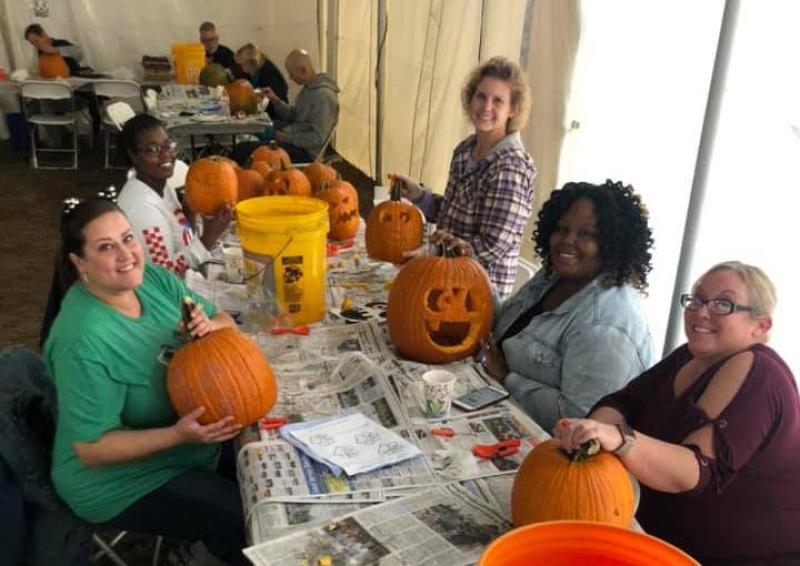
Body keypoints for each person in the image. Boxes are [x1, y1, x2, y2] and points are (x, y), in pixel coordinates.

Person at [41, 198, 247, 565]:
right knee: (240, 517)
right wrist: (178, 436)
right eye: (106, 247)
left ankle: (206, 544)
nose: (126, 255)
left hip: (184, 437)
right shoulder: (82, 340)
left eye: (127, 238)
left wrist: (209, 327)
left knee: (258, 462)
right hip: (120, 478)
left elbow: (226, 321)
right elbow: (92, 448)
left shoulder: (151, 279)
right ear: (79, 263)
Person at [555, 262, 800, 565]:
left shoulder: (760, 373)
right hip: (647, 537)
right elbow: (622, 402)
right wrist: (589, 434)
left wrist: (620, 439)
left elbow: (698, 470)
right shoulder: (689, 355)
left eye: (723, 303)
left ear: (761, 325)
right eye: (697, 299)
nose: (701, 312)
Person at [479, 180, 655, 432]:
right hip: (506, 411)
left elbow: (581, 421)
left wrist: (507, 377)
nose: (567, 241)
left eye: (586, 234)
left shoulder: (606, 325)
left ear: (613, 243)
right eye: (561, 229)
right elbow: (505, 325)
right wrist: (469, 274)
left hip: (561, 454)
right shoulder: (554, 276)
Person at [391, 56, 537, 298]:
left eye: (498, 101)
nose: (486, 107)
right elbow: (451, 214)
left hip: (475, 297)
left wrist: (434, 252)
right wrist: (418, 195)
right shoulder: (465, 151)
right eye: (481, 96)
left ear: (513, 109)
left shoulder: (511, 168)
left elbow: (491, 246)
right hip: (444, 276)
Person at [116, 114, 232, 276]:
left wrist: (189, 213)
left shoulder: (160, 184)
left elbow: (181, 238)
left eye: (168, 144)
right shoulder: (142, 210)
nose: (166, 154)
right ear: (133, 155)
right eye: (153, 149)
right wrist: (208, 238)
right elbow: (165, 273)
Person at [255, 48, 339, 163]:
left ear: (303, 70)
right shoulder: (308, 89)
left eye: (291, 73)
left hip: (305, 153)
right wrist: (274, 99)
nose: (290, 77)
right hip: (295, 141)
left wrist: (286, 138)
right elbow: (293, 115)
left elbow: (317, 138)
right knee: (260, 129)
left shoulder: (323, 97)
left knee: (250, 150)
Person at [235, 43, 288, 120]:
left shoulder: (270, 73)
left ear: (251, 62)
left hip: (274, 116)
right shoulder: (254, 71)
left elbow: (270, 101)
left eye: (242, 65)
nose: (242, 69)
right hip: (261, 111)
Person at [24, 23, 90, 76]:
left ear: (44, 35)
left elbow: (80, 54)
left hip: (75, 82)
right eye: (33, 43)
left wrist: (57, 50)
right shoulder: (39, 52)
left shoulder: (61, 43)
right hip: (55, 85)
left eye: (36, 41)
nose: (35, 45)